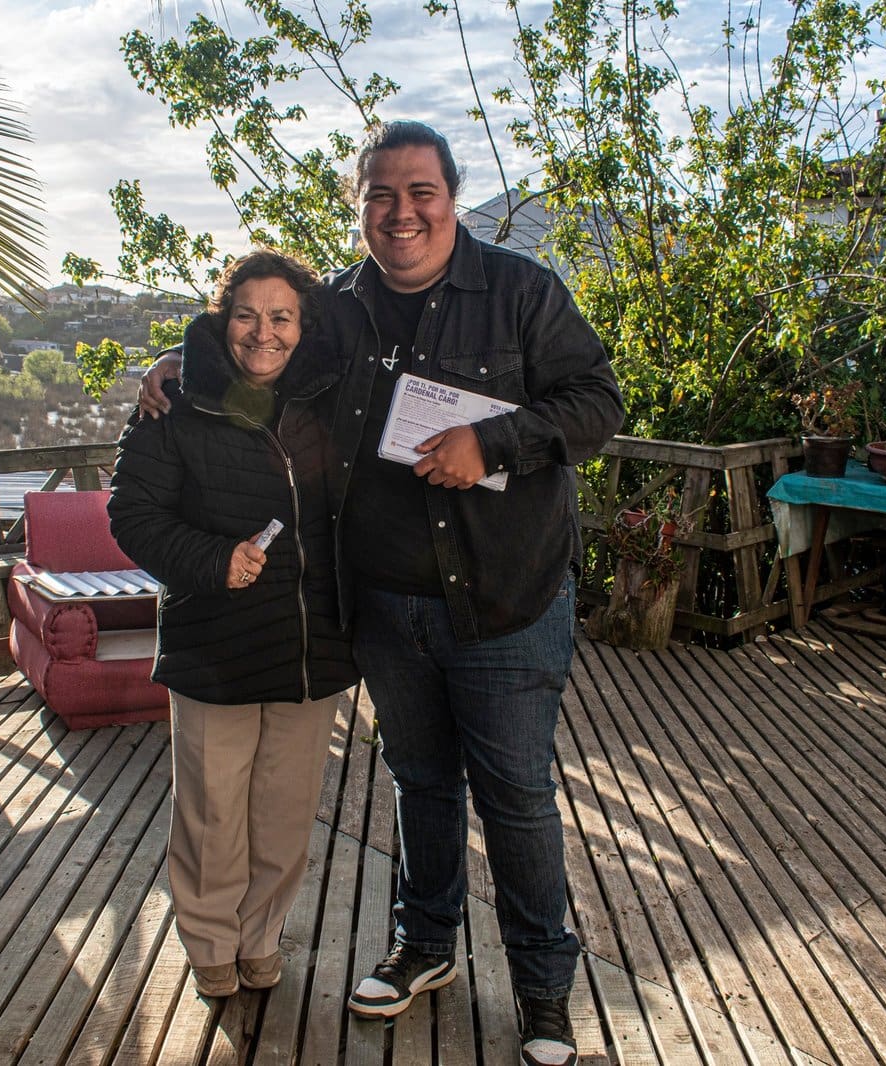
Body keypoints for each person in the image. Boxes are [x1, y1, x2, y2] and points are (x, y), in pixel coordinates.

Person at [140, 121, 623, 1066]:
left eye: (421, 192)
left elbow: (598, 404)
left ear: (452, 194)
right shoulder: (339, 312)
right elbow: (253, 351)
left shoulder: (523, 292)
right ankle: (426, 946)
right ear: (360, 202)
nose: (400, 213)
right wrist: (173, 366)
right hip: (387, 609)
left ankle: (543, 990)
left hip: (505, 602)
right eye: (379, 194)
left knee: (517, 798)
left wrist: (498, 442)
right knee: (420, 786)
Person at [108, 249, 358, 999]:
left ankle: (260, 936)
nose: (264, 332)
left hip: (314, 645)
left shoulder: (330, 395)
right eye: (246, 314)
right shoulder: (174, 403)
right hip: (213, 642)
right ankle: (211, 940)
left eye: (281, 316)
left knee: (283, 815)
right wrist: (213, 560)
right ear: (224, 320)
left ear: (303, 324)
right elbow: (132, 513)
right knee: (212, 811)